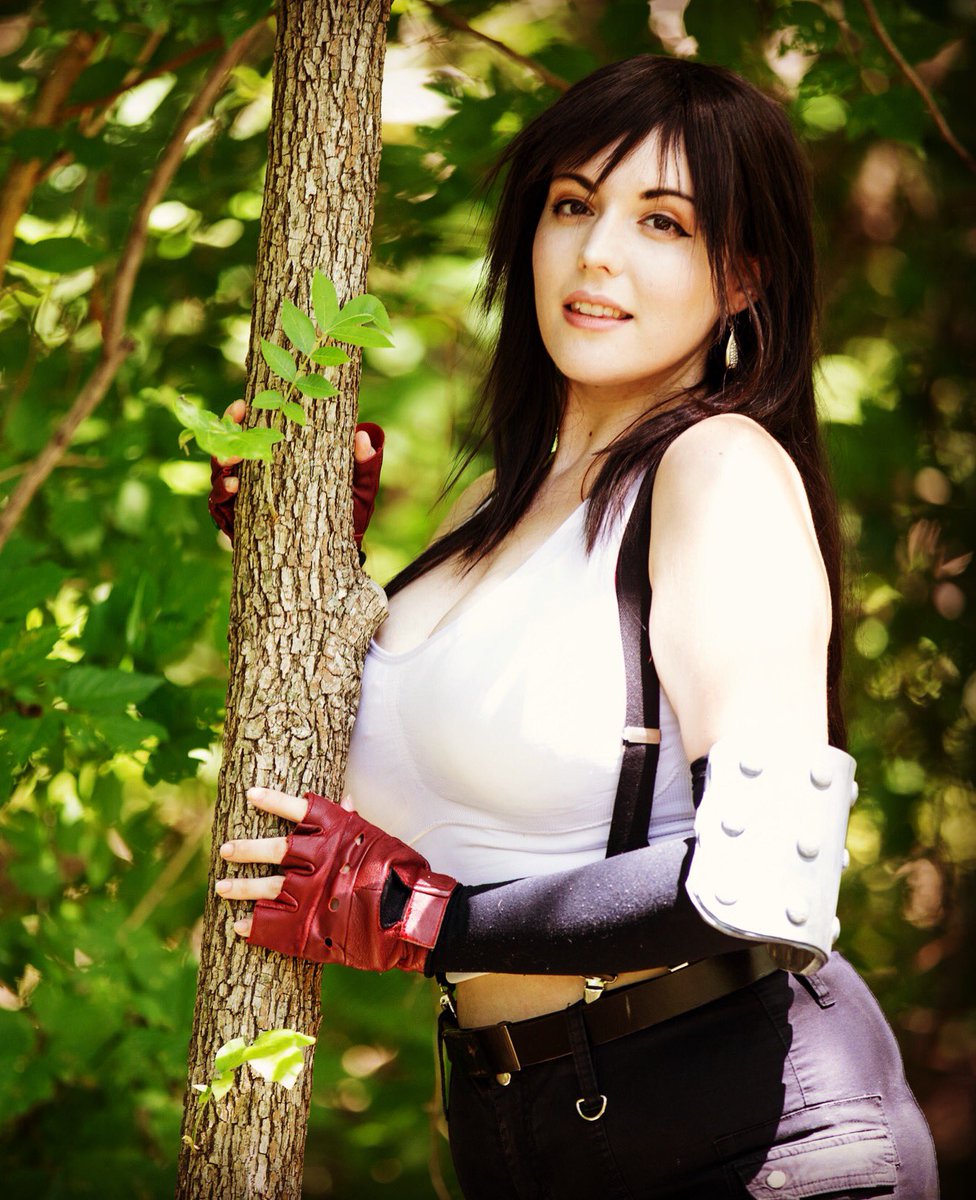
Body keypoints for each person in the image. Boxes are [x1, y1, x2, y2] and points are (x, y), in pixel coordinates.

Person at [209, 55, 939, 1198]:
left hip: (747, 1132)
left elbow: (760, 888)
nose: (598, 252)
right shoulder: (488, 511)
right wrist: (298, 557)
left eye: (663, 221)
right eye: (572, 204)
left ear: (743, 276)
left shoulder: (719, 470)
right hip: (522, 1132)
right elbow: (419, 786)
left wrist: (423, 918)